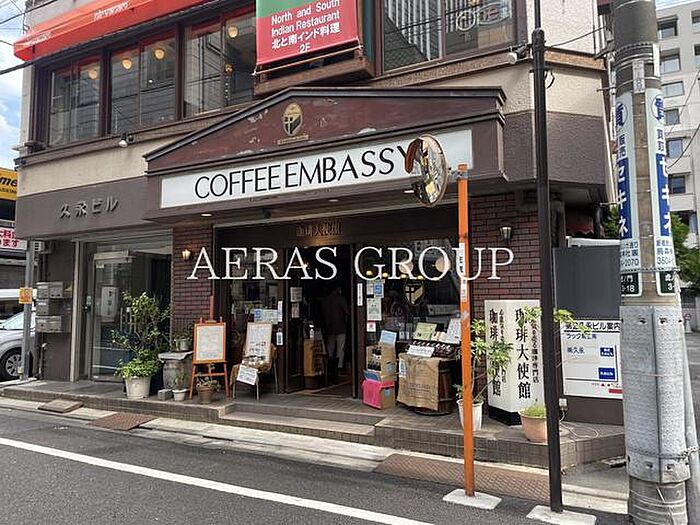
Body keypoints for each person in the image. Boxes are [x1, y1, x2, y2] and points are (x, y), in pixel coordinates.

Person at [322, 285, 349, 373]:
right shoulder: (340, 299)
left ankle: (328, 366)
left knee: (330, 347)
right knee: (340, 348)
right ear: (337, 289)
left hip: (329, 327)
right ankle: (339, 367)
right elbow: (347, 311)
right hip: (340, 327)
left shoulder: (326, 300)